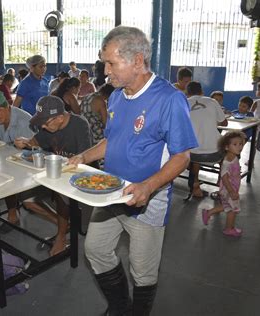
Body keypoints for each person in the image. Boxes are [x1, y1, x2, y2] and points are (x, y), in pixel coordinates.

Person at [69, 26, 197, 315]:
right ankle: (119, 307)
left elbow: (182, 157)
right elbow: (112, 140)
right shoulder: (116, 96)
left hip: (146, 200)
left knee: (143, 272)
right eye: (105, 63)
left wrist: (147, 187)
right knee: (96, 250)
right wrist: (84, 156)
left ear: (138, 61)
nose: (105, 71)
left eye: (111, 63)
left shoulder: (169, 99)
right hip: (112, 191)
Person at [15, 95, 92, 255]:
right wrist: (26, 142)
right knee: (28, 200)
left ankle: (62, 234)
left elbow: (85, 160)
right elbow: (36, 141)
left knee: (84, 227)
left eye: (46, 122)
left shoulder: (79, 125)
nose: (43, 126)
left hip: (82, 177)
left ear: (59, 117)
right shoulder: (49, 127)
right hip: (57, 175)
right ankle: (62, 233)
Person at [0, 91, 34, 225]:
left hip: (30, 166)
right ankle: (12, 214)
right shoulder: (1, 119)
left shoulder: (24, 121)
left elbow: (35, 150)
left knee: (29, 203)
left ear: (3, 109)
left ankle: (63, 224)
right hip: (10, 162)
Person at [187, 81, 228, 198]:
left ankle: (195, 186)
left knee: (196, 153)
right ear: (202, 91)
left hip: (192, 155)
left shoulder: (183, 102)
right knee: (228, 155)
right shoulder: (212, 101)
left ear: (187, 93)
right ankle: (222, 186)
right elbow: (224, 123)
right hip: (214, 153)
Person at [201, 131, 247, 237]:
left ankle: (208, 213)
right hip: (228, 189)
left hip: (230, 188)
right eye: (235, 144)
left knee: (226, 206)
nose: (239, 147)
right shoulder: (227, 162)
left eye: (240, 144)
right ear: (226, 147)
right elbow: (224, 177)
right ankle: (229, 229)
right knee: (233, 209)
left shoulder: (233, 156)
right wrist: (231, 191)